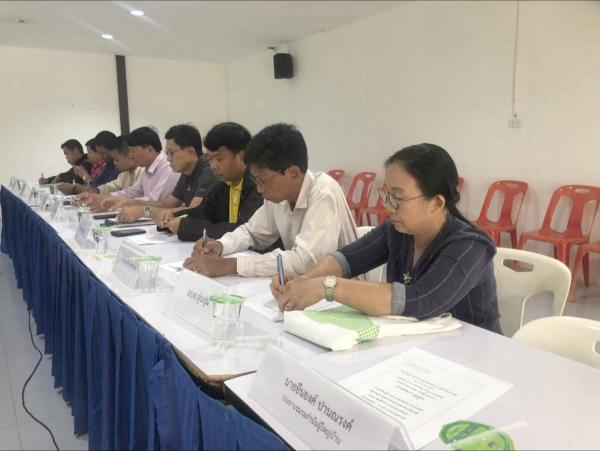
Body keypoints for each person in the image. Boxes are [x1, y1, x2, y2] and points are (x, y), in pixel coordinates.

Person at [269, 143, 502, 334]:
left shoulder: (470, 246)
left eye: (397, 198)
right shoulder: (398, 230)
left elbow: (419, 301)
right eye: (386, 194)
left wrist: (325, 286)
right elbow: (347, 259)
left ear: (436, 203)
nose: (388, 207)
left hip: (473, 355)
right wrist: (304, 282)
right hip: (417, 347)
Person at [182, 123, 359, 278]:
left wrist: (231, 265)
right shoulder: (278, 196)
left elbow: (306, 261)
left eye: (263, 180)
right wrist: (221, 245)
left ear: (293, 173)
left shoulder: (323, 191)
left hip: (343, 293)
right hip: (307, 288)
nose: (259, 189)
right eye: (255, 180)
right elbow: (253, 232)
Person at [160, 122, 264, 241]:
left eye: (219, 159)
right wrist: (172, 217)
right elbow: (201, 213)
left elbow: (243, 230)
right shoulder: (223, 186)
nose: (213, 166)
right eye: (210, 159)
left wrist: (184, 227)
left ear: (241, 157)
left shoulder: (258, 185)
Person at [106, 124, 218, 222]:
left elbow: (193, 212)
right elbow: (166, 204)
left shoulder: (208, 170)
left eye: (172, 153)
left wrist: (144, 211)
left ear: (190, 152)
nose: (168, 158)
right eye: (167, 153)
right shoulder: (186, 173)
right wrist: (131, 203)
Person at [78, 126, 179, 211]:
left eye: (133, 151)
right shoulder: (148, 168)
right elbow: (131, 192)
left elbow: (154, 201)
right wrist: (97, 197)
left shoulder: (168, 167)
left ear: (149, 150)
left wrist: (118, 201)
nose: (130, 156)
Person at [75, 136, 142, 210]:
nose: (114, 163)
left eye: (116, 159)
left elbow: (137, 198)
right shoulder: (124, 174)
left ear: (129, 156)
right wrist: (96, 191)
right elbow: (112, 186)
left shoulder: (143, 172)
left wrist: (99, 197)